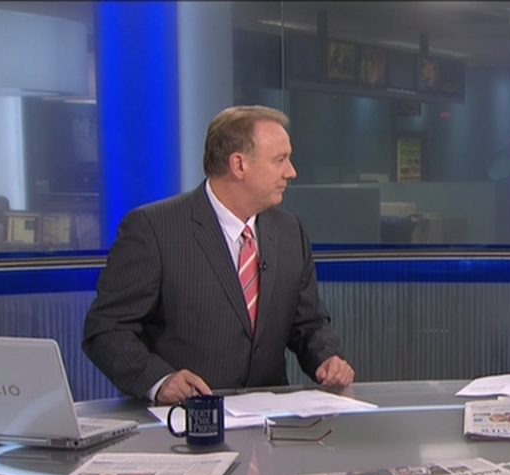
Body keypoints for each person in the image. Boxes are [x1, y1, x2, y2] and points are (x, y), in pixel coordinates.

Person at [83, 105, 354, 405]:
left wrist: (327, 358)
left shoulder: (289, 231)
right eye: (280, 160)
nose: (291, 172)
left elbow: (309, 324)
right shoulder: (155, 229)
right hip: (185, 416)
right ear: (239, 165)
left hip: (270, 418)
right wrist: (159, 381)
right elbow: (107, 329)